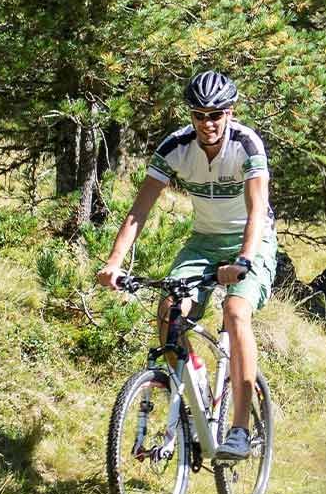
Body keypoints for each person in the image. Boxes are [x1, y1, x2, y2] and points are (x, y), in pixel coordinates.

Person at [96, 71, 276, 460]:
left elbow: (257, 209)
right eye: (199, 115)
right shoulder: (176, 147)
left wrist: (244, 260)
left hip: (252, 237)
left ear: (230, 112)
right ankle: (194, 393)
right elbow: (139, 210)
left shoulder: (246, 144)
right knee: (168, 311)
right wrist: (114, 262)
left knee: (235, 310)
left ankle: (240, 429)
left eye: (215, 115)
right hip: (204, 241)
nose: (207, 123)